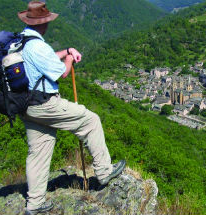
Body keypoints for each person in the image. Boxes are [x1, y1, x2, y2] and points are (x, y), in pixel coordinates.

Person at [17, 1, 126, 214]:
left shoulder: (21, 41)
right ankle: (104, 171)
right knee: (91, 120)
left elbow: (43, 61)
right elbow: (61, 72)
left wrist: (65, 50)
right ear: (43, 23)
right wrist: (68, 59)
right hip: (45, 104)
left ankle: (35, 203)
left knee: (38, 152)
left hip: (26, 106)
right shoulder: (37, 45)